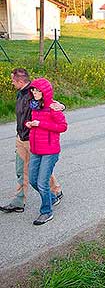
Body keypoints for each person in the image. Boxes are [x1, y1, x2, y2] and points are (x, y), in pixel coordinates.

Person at [0, 68, 64, 214]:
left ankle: (54, 192)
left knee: (41, 173)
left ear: (20, 81)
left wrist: (62, 107)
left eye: (13, 80)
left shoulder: (34, 93)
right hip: (21, 137)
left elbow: (51, 104)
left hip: (34, 139)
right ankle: (19, 201)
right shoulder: (21, 93)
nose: (11, 83)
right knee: (22, 170)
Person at [26, 78, 67, 225]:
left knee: (42, 182)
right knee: (32, 180)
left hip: (50, 150)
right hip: (36, 149)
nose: (34, 92)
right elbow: (30, 120)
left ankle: (46, 212)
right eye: (33, 90)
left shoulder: (53, 107)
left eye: (37, 90)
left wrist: (40, 124)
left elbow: (63, 127)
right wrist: (29, 124)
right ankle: (52, 197)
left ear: (45, 92)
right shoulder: (35, 105)